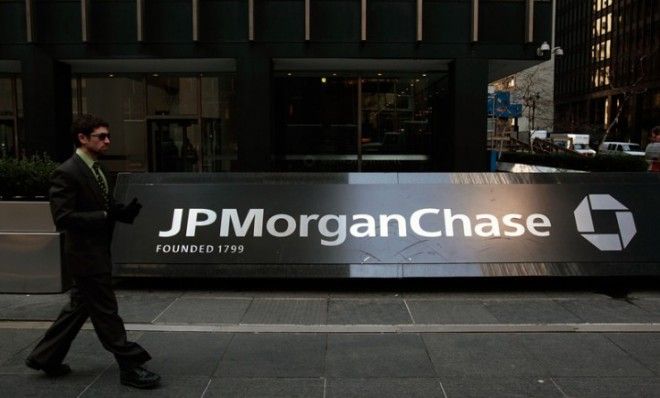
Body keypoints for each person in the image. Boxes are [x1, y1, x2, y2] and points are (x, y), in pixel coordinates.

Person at [25, 114, 161, 389]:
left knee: (79, 309)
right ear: (82, 138)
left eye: (108, 136)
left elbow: (104, 207)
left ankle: (45, 357)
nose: (108, 141)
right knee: (106, 313)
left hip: (97, 252)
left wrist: (121, 213)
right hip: (85, 257)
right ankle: (130, 365)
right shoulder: (67, 171)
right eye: (101, 136)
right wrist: (103, 215)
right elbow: (63, 218)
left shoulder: (97, 169)